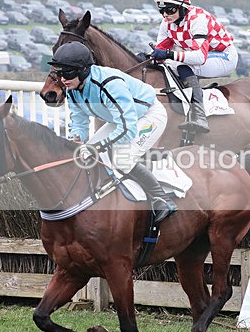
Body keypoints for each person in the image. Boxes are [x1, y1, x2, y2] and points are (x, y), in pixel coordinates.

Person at [49, 41, 177, 224]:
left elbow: (128, 128)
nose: (62, 79)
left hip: (149, 116)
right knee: (86, 155)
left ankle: (162, 200)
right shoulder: (72, 90)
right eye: (60, 73)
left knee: (121, 160)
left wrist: (100, 146)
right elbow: (79, 122)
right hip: (121, 121)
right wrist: (77, 141)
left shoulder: (109, 84)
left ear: (84, 70)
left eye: (67, 73)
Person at [150, 0, 237, 133]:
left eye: (170, 9)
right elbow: (161, 51)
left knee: (183, 66)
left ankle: (199, 115)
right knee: (167, 66)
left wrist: (170, 54)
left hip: (224, 56)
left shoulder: (198, 19)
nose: (165, 15)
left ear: (183, 7)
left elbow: (199, 57)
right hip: (204, 55)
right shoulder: (167, 22)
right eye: (162, 10)